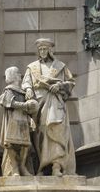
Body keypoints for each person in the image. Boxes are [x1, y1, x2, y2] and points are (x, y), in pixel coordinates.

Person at [22, 38, 76, 177]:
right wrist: (28, 89)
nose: (42, 51)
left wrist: (59, 86)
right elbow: (26, 82)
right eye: (40, 49)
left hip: (55, 103)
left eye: (45, 49)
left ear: (50, 50)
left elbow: (70, 82)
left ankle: (56, 167)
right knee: (40, 134)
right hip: (38, 105)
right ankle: (41, 166)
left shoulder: (60, 66)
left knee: (56, 132)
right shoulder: (32, 67)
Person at [0, 66, 38, 176]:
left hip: (23, 120)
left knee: (25, 145)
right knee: (11, 144)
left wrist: (30, 112)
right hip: (13, 120)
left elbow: (29, 108)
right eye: (17, 73)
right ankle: (15, 168)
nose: (19, 75)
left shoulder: (22, 91)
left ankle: (22, 166)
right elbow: (9, 102)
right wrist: (25, 105)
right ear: (12, 76)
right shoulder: (9, 89)